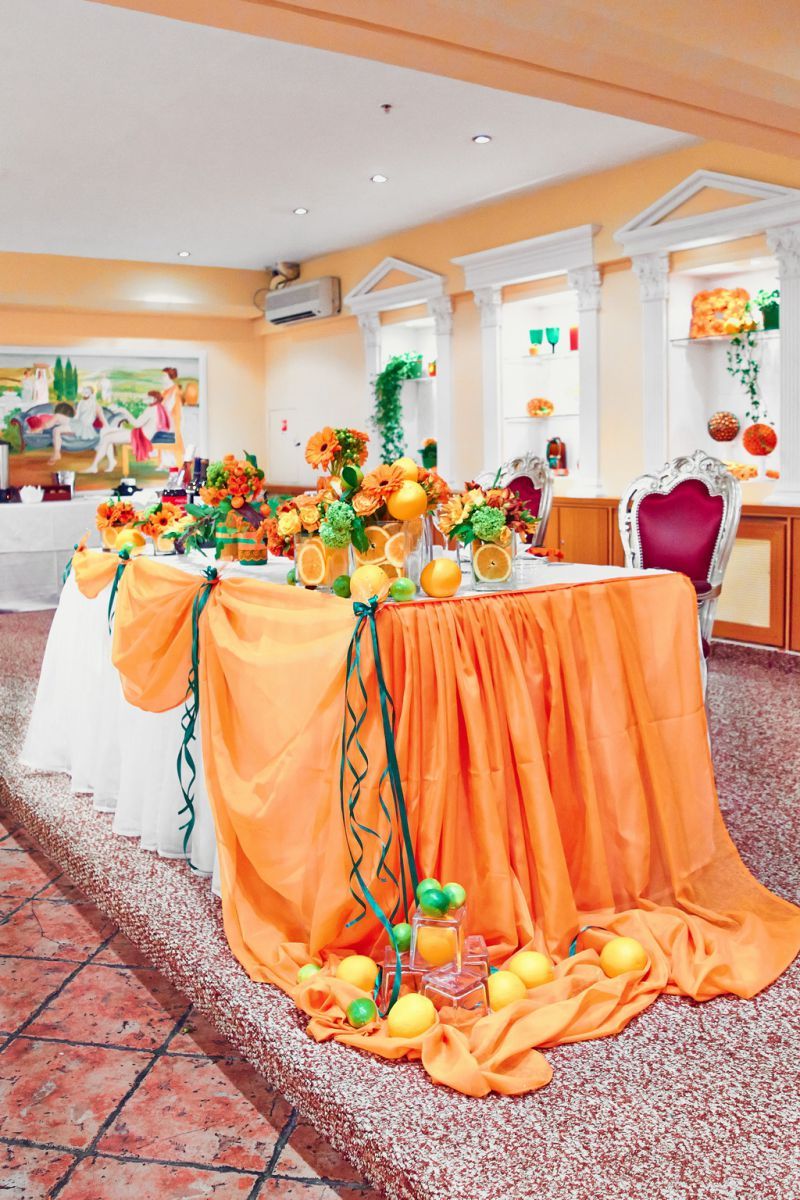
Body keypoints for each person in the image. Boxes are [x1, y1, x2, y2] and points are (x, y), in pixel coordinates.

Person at [87, 389, 168, 473]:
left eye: (148, 397)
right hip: (141, 433)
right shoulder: (158, 408)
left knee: (107, 437)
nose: (145, 398)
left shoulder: (151, 409)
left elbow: (137, 424)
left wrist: (124, 411)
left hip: (140, 436)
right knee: (107, 434)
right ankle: (111, 462)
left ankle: (95, 466)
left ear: (154, 399)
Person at [26, 385, 106, 464]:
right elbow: (77, 417)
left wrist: (108, 429)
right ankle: (40, 429)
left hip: (84, 427)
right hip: (77, 422)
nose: (84, 393)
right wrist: (66, 421)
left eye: (87, 392)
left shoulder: (96, 406)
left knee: (56, 430)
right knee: (57, 416)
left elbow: (103, 420)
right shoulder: (81, 403)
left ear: (91, 393)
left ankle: (56, 453)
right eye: (84, 391)